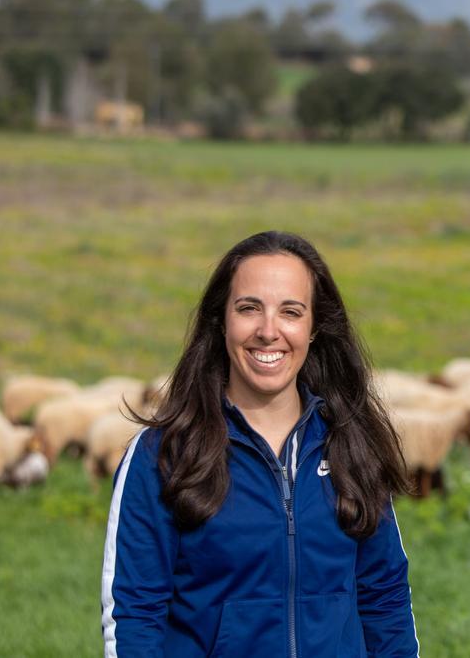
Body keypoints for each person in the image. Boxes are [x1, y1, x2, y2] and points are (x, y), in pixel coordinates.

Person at [101, 231, 418, 657]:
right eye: (249, 308)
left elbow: (385, 599)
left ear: (314, 327)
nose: (269, 331)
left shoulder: (351, 445)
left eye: (291, 311)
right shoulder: (162, 455)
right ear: (221, 321)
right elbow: (134, 615)